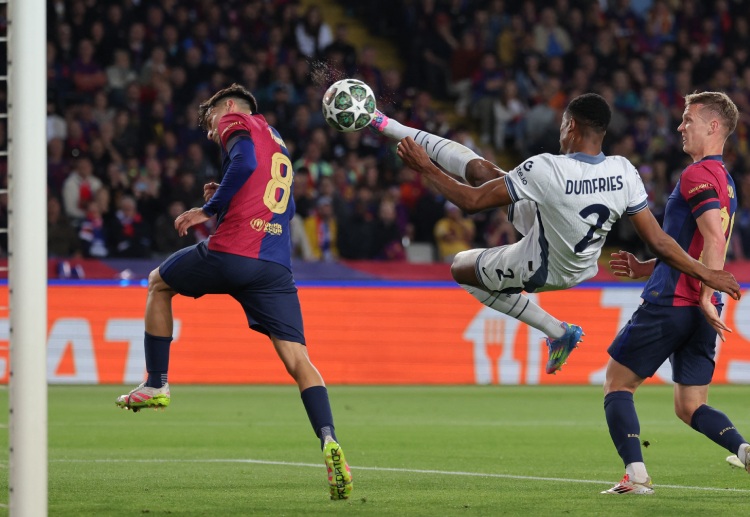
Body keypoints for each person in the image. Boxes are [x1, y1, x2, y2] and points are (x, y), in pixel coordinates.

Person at [371, 93, 741, 376]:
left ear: (571, 126)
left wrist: (426, 169)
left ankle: (557, 331)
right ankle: (384, 122)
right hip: (571, 247)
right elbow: (659, 241)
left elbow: (470, 202)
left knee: (459, 267)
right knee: (484, 171)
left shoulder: (545, 167)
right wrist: (707, 274)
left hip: (546, 266)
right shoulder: (623, 170)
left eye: (563, 124)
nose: (560, 131)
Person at [115, 84, 353, 501]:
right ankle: (329, 438)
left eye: (209, 120)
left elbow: (243, 163)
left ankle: (156, 384)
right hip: (274, 267)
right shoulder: (277, 141)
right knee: (299, 360)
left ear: (227, 106)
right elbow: (281, 205)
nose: (211, 130)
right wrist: (226, 200)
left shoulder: (234, 119)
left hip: (233, 252)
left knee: (157, 283)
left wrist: (207, 210)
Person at [601, 91, 749, 495]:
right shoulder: (726, 181)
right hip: (701, 308)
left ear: (713, 126)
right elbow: (695, 246)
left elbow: (713, 239)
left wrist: (702, 293)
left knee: (617, 384)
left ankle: (636, 476)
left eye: (689, 119)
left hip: (673, 301)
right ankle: (744, 450)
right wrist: (647, 268)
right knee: (690, 406)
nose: (681, 126)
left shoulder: (695, 175)